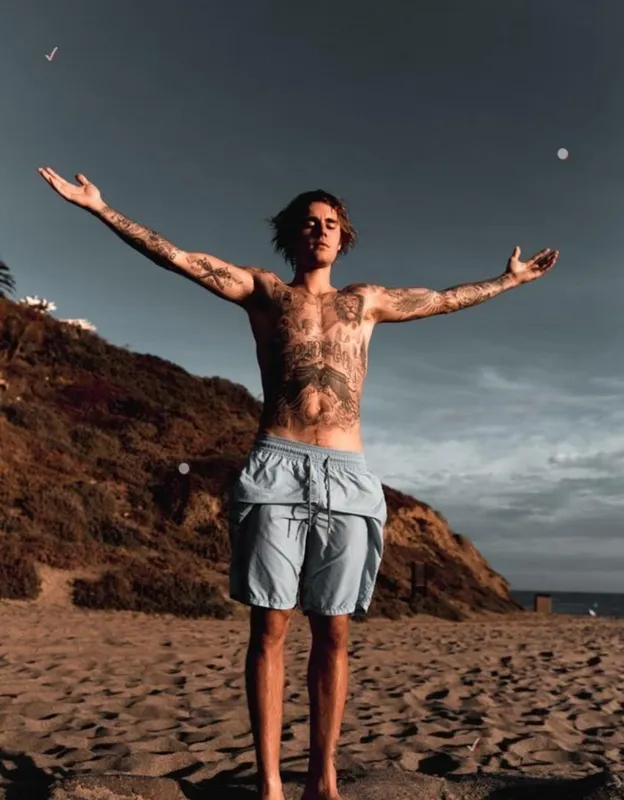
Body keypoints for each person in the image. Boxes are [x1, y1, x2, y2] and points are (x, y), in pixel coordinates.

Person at [38, 166, 560, 800]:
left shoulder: (365, 301)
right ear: (292, 235)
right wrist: (100, 208)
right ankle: (269, 783)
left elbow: (442, 299)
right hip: (277, 466)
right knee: (270, 625)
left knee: (334, 630)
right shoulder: (263, 292)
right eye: (310, 223)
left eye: (331, 223)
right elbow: (177, 257)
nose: (321, 230)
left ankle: (323, 776)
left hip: (347, 475)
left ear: (344, 237)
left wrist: (508, 281)